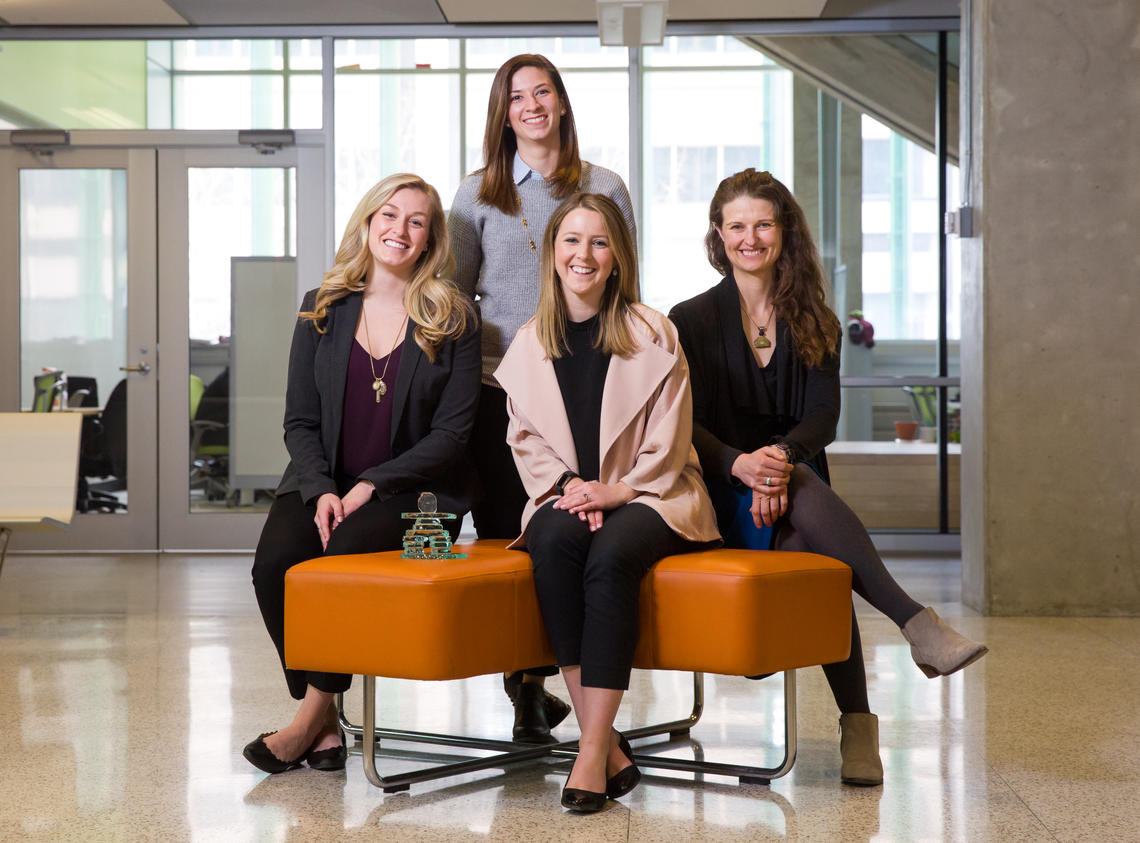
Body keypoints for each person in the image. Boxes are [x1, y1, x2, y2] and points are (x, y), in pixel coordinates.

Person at [669, 168, 988, 787]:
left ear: (784, 231)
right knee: (822, 543)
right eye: (737, 226)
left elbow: (823, 415)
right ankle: (907, 638)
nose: (750, 237)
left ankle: (861, 724)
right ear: (718, 234)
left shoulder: (813, 317)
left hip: (796, 478)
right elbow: (686, 424)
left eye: (763, 223)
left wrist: (781, 463)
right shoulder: (690, 319)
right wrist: (745, 466)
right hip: (724, 485)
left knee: (818, 552)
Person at [243, 173, 480, 774]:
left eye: (417, 221)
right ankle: (322, 718)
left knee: (340, 554)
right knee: (274, 565)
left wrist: (370, 484)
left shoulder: (454, 319)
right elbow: (298, 420)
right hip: (321, 481)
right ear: (368, 222)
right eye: (389, 215)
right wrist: (322, 488)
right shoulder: (322, 306)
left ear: (430, 239)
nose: (400, 230)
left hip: (414, 494)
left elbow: (451, 438)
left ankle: (306, 723)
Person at [495, 193, 720, 812]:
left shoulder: (654, 331)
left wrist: (615, 491)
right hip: (566, 494)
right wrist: (571, 488)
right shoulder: (529, 341)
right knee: (553, 540)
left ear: (617, 256)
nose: (583, 254)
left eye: (599, 242)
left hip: (654, 492)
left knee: (612, 554)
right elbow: (524, 438)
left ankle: (590, 750)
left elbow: (671, 439)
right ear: (552, 253)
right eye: (571, 240)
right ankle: (606, 741)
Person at [448, 52, 637, 743]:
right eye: (516, 96)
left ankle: (589, 687)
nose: (530, 105)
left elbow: (628, 286)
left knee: (585, 531)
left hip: (590, 388)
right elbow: (452, 296)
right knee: (516, 538)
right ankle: (526, 685)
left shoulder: (606, 186)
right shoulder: (476, 196)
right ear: (503, 113)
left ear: (561, 102)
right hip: (503, 390)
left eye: (542, 92)